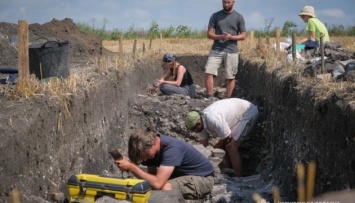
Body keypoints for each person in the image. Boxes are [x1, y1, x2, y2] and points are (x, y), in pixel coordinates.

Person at [115, 127, 214, 199]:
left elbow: (157, 184)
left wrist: (132, 167)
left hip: (203, 178)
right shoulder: (152, 150)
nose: (145, 159)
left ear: (153, 143)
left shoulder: (172, 149)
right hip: (183, 175)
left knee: (163, 188)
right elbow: (151, 176)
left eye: (145, 155)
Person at [184, 98, 259, 177]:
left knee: (231, 146)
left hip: (247, 112)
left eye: (193, 129)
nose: (193, 132)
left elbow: (228, 137)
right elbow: (204, 147)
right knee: (221, 148)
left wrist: (214, 149)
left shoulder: (213, 119)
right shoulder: (200, 125)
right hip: (236, 115)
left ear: (199, 123)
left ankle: (239, 178)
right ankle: (228, 172)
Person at [204, 0, 246, 99]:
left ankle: (228, 98)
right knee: (209, 71)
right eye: (224, 2)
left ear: (233, 2)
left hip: (232, 50)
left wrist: (230, 37)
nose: (226, 4)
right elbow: (209, 34)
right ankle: (210, 96)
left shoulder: (239, 17)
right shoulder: (215, 16)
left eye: (228, 2)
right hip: (216, 49)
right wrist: (220, 37)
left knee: (230, 76)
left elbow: (243, 36)